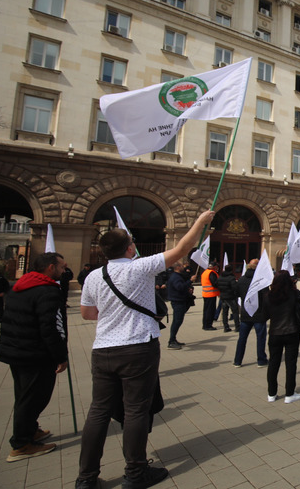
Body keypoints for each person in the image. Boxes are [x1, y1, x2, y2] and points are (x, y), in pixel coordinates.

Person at [75, 209, 215, 489]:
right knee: (136, 410)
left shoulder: (93, 276)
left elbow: (87, 314)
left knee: (98, 411)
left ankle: (86, 478)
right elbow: (183, 248)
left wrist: (111, 313)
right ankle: (136, 473)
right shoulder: (138, 267)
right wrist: (201, 222)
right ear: (129, 248)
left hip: (102, 349)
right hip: (137, 347)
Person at [0, 252, 69, 462]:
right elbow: (51, 328)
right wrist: (60, 356)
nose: (64, 271)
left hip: (15, 350)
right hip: (34, 354)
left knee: (24, 394)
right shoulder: (47, 291)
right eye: (62, 267)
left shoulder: (20, 285)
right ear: (50, 268)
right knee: (33, 398)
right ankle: (21, 444)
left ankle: (30, 430)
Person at [265, 270, 300, 403]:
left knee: (273, 363)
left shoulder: (269, 295)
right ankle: (289, 393)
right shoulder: (294, 294)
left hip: (275, 332)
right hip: (291, 331)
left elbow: (264, 315)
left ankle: (272, 393)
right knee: (291, 364)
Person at [233, 259, 268, 367]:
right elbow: (267, 296)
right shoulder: (261, 280)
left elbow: (236, 293)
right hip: (259, 313)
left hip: (246, 313)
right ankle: (261, 360)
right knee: (261, 338)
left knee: (242, 338)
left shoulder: (242, 279)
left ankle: (237, 361)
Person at [166, 262, 194, 349]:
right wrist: (190, 281)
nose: (184, 267)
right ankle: (171, 341)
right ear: (178, 267)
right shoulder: (175, 277)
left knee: (178, 320)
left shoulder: (177, 276)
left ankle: (173, 339)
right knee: (177, 321)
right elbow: (180, 287)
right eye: (182, 266)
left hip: (180, 300)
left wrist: (188, 289)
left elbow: (181, 288)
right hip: (178, 301)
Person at [215, 264, 240, 332]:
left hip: (223, 296)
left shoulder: (220, 277)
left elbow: (216, 284)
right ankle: (237, 326)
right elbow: (234, 287)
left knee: (225, 312)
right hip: (230, 296)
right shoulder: (231, 278)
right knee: (235, 311)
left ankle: (226, 327)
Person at [200, 260, 220, 330]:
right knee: (210, 311)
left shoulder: (205, 272)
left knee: (206, 310)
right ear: (214, 267)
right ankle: (208, 325)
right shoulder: (212, 273)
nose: (217, 268)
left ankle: (205, 324)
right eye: (217, 267)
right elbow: (215, 283)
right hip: (211, 294)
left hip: (206, 294)